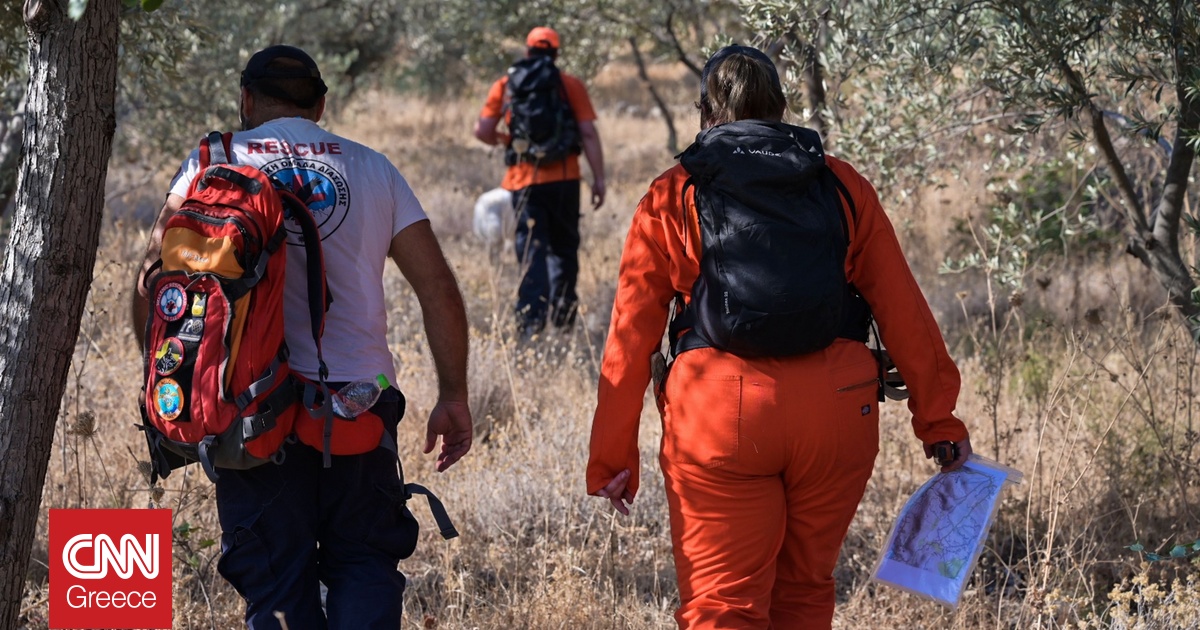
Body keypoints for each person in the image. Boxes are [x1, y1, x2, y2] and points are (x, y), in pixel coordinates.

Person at [586, 45, 973, 629]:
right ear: (783, 108)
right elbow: (904, 311)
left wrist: (611, 457)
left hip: (717, 417)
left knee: (723, 607)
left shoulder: (672, 194)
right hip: (839, 412)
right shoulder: (840, 184)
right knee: (804, 593)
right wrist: (939, 423)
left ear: (705, 112)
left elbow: (630, 337)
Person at [132, 45, 473, 630]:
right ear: (319, 105)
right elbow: (438, 290)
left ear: (246, 99)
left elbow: (152, 286)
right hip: (358, 406)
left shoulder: (212, 166)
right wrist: (453, 395)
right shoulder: (372, 167)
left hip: (251, 410)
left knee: (277, 588)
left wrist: (170, 384)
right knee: (364, 563)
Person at [473, 26, 606, 337]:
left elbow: (482, 131)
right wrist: (598, 178)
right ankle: (563, 320)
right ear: (556, 53)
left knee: (532, 252)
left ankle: (531, 324)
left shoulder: (506, 85)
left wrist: (507, 141)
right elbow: (587, 133)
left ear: (528, 50)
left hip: (523, 181)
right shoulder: (569, 84)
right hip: (565, 179)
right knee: (564, 249)